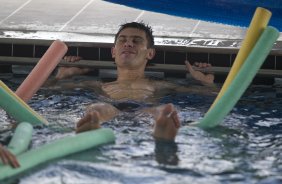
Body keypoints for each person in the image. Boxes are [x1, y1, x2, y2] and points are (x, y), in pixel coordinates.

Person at [0, 22, 215, 167]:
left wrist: (205, 84)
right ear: (113, 52)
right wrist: (60, 76)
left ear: (150, 53)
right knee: (97, 109)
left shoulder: (161, 86)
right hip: (108, 107)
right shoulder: (96, 85)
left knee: (161, 110)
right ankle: (92, 125)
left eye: (136, 40)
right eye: (122, 40)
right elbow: (40, 93)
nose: (128, 43)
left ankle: (161, 132)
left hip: (146, 109)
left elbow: (209, 97)